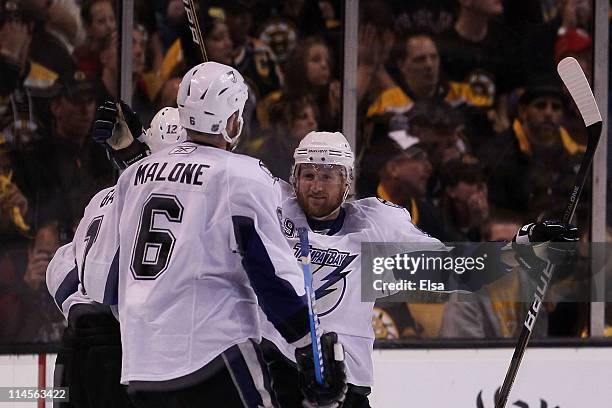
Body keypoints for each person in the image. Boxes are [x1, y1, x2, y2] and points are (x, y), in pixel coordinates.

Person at [81, 61, 347, 408]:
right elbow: (272, 277)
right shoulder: (242, 175)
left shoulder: (134, 175)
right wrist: (309, 345)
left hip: (142, 368)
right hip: (216, 357)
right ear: (232, 120)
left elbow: (102, 284)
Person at [261, 130, 579, 407]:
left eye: (327, 175)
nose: (316, 186)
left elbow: (453, 269)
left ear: (346, 181)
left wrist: (520, 248)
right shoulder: (272, 208)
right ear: (294, 177)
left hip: (346, 383)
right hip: (278, 371)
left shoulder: (374, 232)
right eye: (308, 174)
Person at [45, 104, 186, 408]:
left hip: (74, 347)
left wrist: (79, 308)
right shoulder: (179, 202)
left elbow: (60, 265)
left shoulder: (103, 196)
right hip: (122, 350)